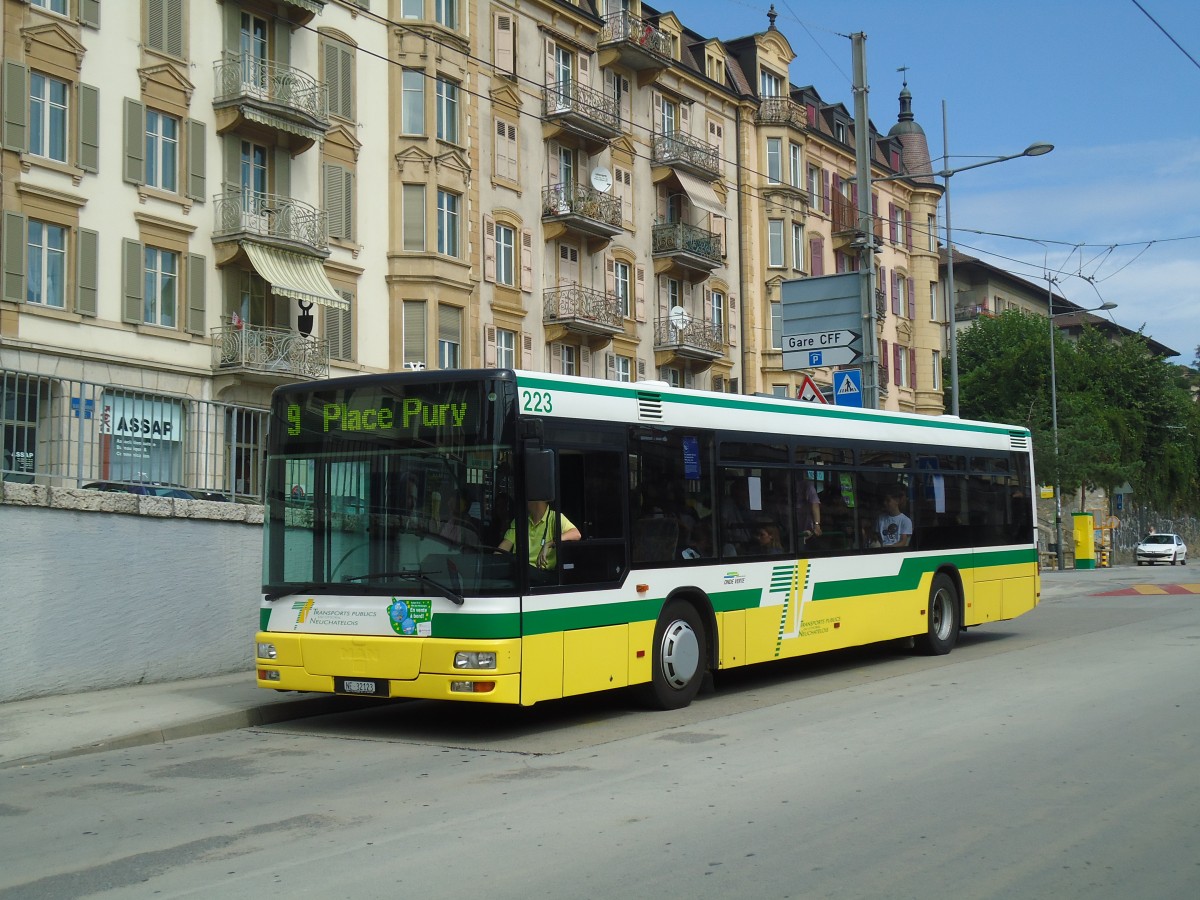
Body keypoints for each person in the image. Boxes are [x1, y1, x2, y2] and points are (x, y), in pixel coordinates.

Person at [498, 499, 580, 570]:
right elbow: (503, 548)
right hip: (520, 573)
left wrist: (548, 544)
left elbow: (576, 534)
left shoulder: (554, 517)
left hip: (542, 575)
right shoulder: (519, 521)